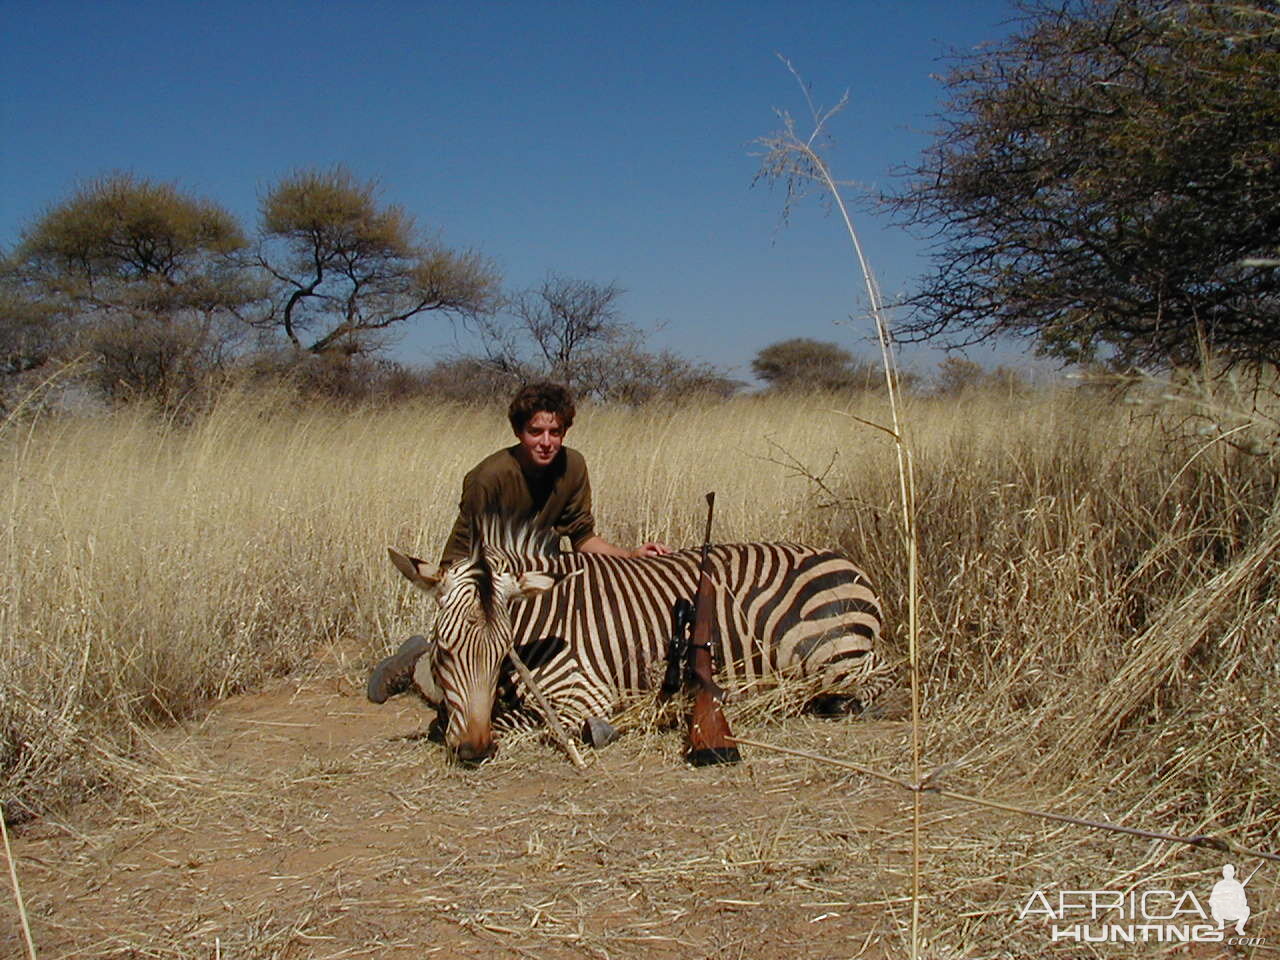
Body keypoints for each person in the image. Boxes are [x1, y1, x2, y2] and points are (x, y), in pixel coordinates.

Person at [368, 382, 670, 703]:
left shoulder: (574, 466)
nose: (546, 442)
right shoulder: (488, 477)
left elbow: (583, 539)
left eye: (555, 432)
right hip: (483, 583)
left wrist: (630, 554)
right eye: (535, 432)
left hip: (539, 584)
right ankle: (418, 663)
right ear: (518, 432)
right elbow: (474, 562)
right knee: (475, 681)